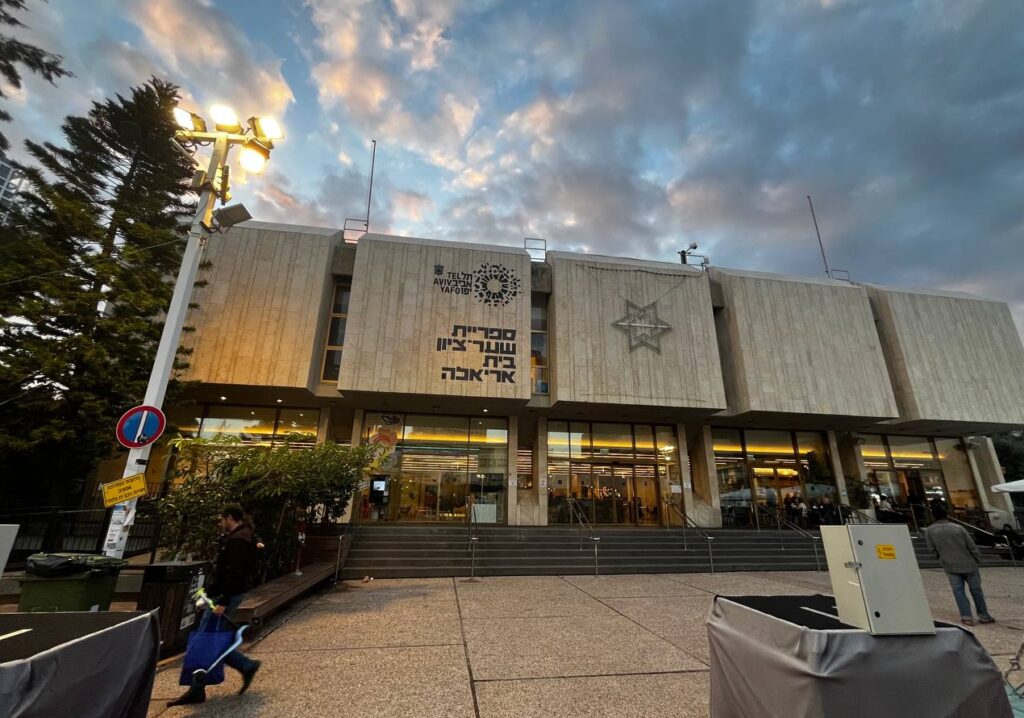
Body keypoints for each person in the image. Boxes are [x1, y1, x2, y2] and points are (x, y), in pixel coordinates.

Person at [168, 505, 262, 706]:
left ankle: (197, 687)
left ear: (229, 517)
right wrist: (210, 594)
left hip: (227, 595)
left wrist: (223, 601)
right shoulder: (244, 536)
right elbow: (228, 571)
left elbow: (233, 571)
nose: (220, 523)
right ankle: (245, 665)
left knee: (204, 640)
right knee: (210, 638)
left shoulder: (239, 539)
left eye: (221, 519)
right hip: (224, 594)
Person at [925, 505, 995, 626]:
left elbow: (931, 549)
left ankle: (966, 616)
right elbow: (971, 545)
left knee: (958, 591)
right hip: (968, 562)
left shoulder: (930, 530)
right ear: (946, 514)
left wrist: (941, 558)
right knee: (976, 590)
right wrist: (977, 557)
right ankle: (984, 615)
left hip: (949, 564)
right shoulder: (958, 527)